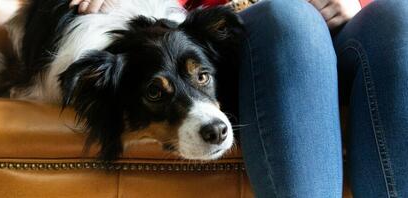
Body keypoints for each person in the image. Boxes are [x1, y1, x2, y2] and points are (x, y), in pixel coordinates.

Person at [69, 0, 408, 197]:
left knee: (398, 13)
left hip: (346, 27)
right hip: (252, 30)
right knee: (287, 17)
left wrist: (354, 3)